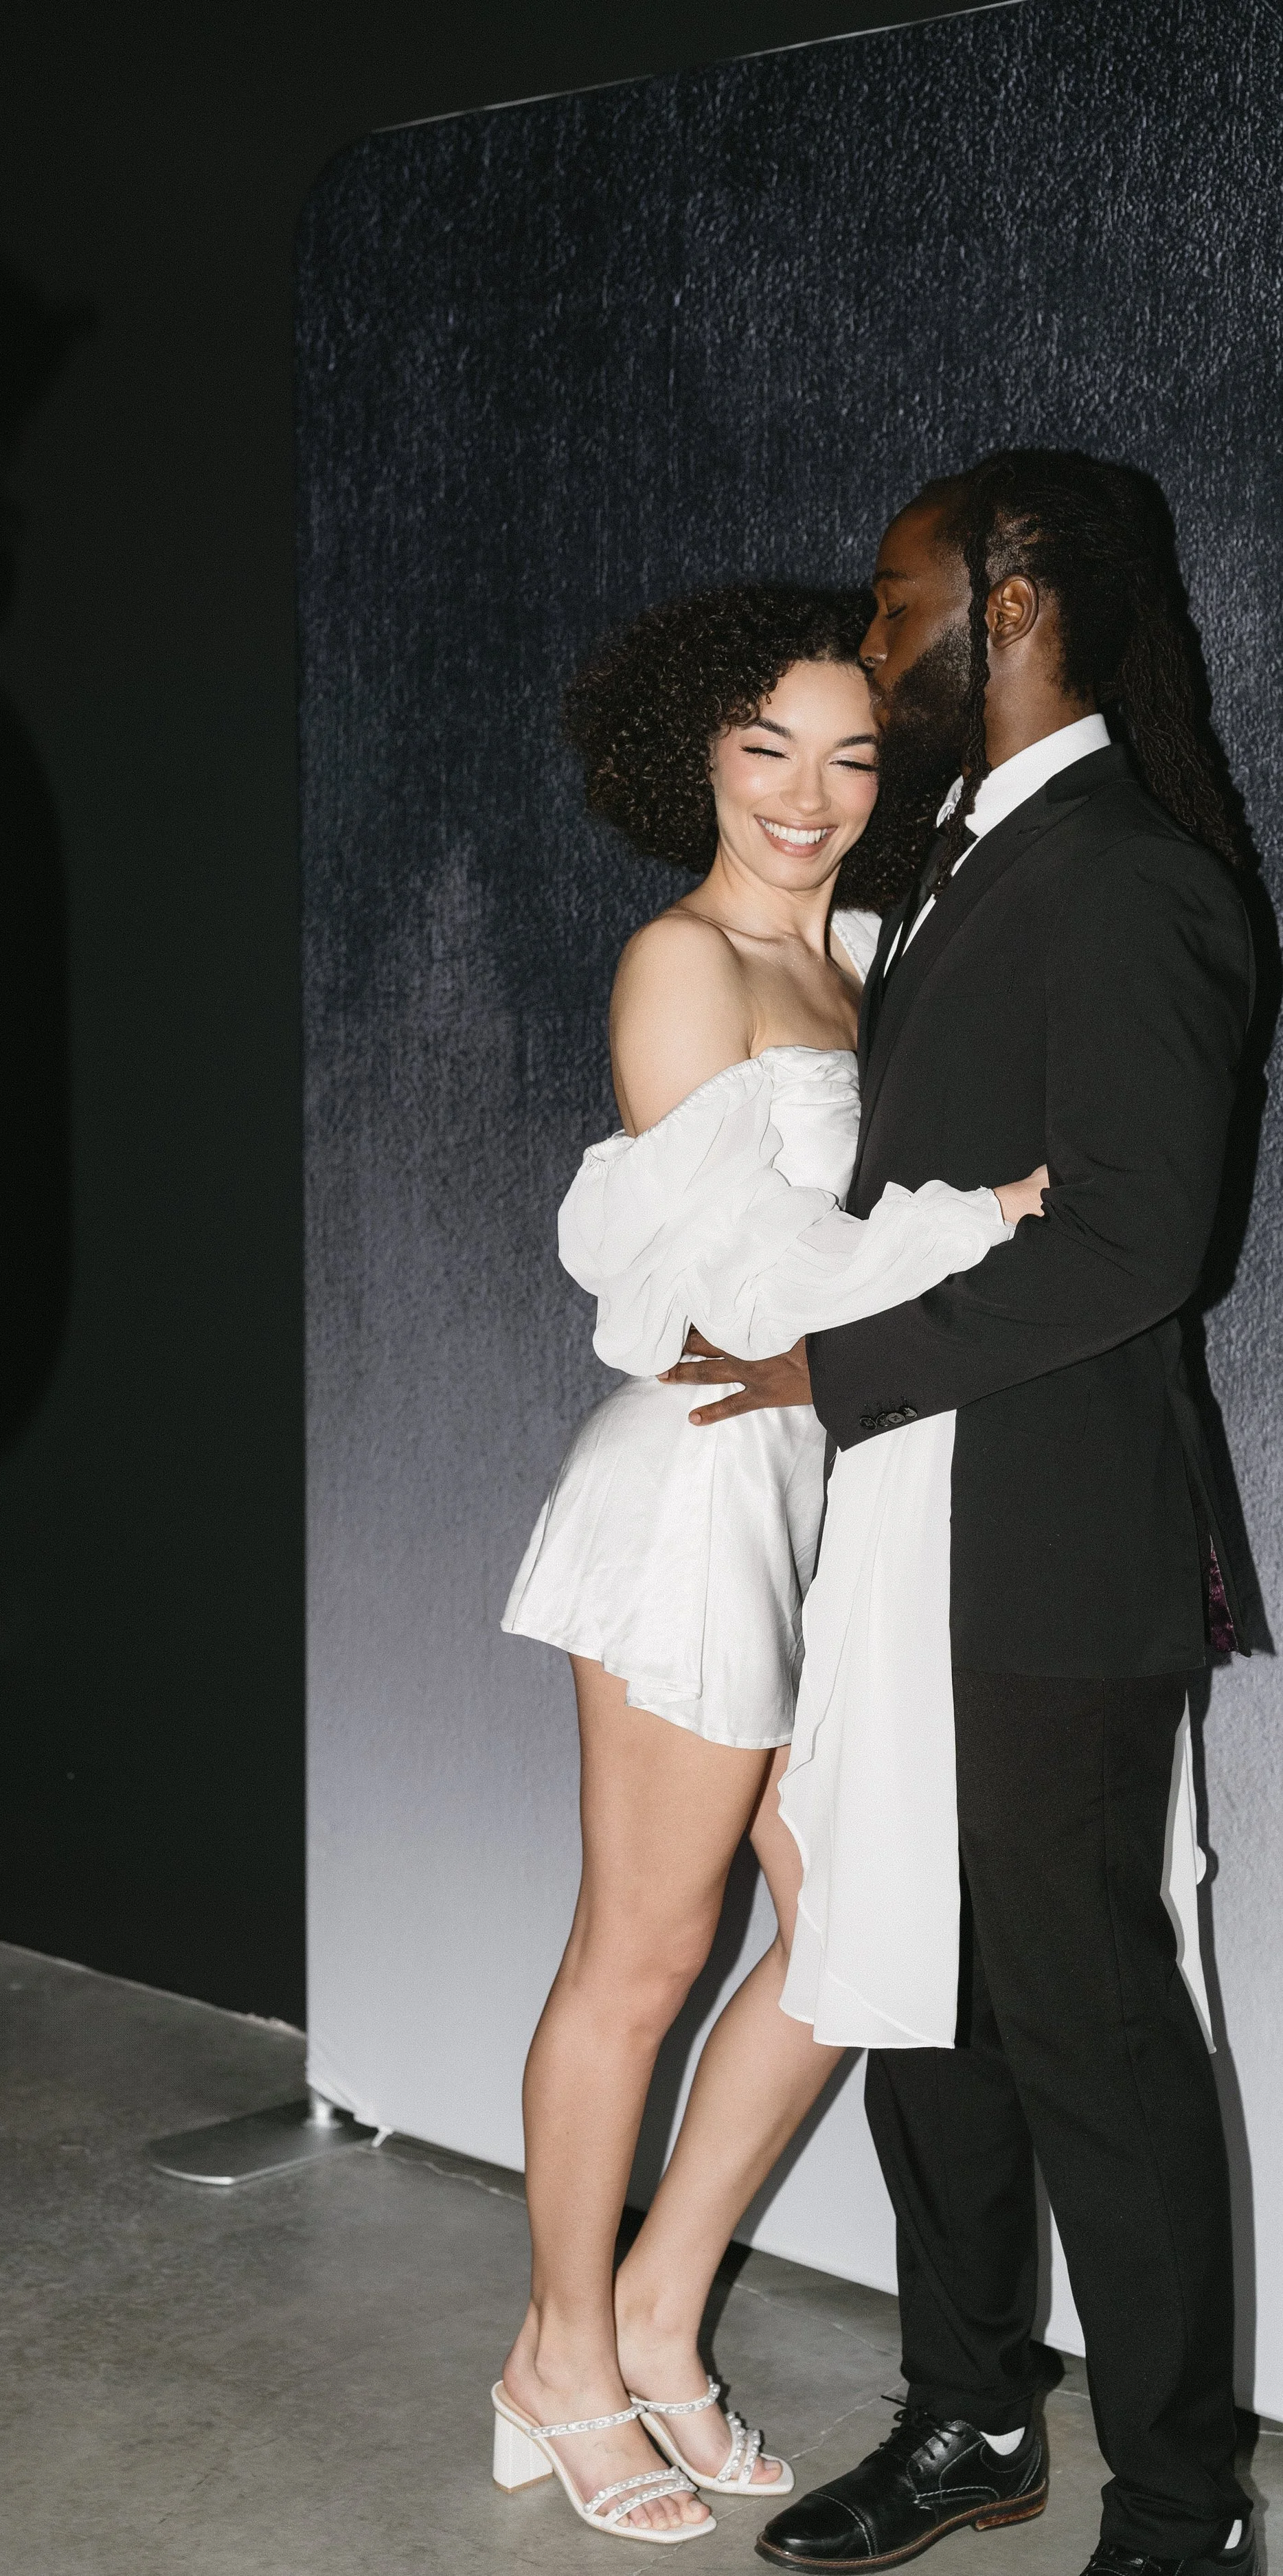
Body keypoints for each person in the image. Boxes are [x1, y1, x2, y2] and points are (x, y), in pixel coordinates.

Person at [672, 453, 1256, 2576]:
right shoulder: (954, 860)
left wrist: (830, 1365)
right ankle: (969, 2414)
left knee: (1085, 2017)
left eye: (898, 602)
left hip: (1055, 1538)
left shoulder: (1127, 873)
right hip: (909, 1522)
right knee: (913, 1978)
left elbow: (1133, 1244)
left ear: (1011, 606)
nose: (875, 635)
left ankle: (1178, 2510)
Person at [493, 584, 1047, 2544]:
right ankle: (558, 2353)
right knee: (643, 1952)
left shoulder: (868, 955)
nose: (807, 796)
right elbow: (738, 1283)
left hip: (839, 1503)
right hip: (699, 1492)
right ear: (694, 759)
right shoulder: (683, 960)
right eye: (764, 749)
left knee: (851, 1931)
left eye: (851, 755)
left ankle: (657, 2309)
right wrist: (985, 1218)